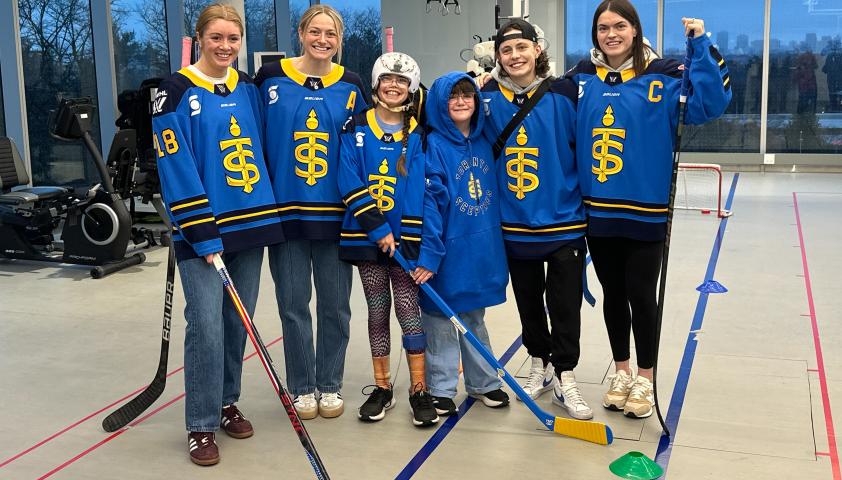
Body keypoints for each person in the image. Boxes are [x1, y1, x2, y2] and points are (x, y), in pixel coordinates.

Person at [566, 0, 731, 418]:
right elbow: (541, 111)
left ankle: (645, 377)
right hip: (598, 211)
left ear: (635, 30)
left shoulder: (664, 74)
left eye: (619, 26)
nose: (611, 34)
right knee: (613, 295)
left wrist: (701, 44)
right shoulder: (581, 77)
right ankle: (620, 371)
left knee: (642, 294)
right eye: (603, 27)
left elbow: (708, 103)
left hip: (646, 210)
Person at [151, 3, 284, 466]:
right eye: (217, 38)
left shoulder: (248, 88)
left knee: (236, 323)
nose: (226, 47)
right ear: (200, 38)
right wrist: (201, 232)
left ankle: (227, 402)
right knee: (205, 326)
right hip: (203, 231)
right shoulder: (174, 90)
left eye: (233, 39)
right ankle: (200, 424)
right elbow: (175, 165)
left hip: (251, 224)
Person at [255, 4, 367, 421]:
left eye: (331, 34)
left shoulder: (353, 84)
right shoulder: (270, 78)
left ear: (340, 41)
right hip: (285, 215)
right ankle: (302, 386)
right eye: (315, 32)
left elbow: (367, 144)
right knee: (293, 304)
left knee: (336, 306)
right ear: (301, 34)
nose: (323, 40)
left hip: (337, 216)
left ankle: (330, 383)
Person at [480, 19, 592, 420]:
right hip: (513, 221)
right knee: (528, 302)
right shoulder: (486, 96)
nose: (515, 56)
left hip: (563, 219)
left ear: (537, 50)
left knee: (565, 303)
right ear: (498, 58)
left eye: (522, 48)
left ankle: (565, 374)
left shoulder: (564, 92)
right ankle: (539, 364)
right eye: (506, 51)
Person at [337, 52, 438, 426]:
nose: (393, 86)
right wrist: (378, 231)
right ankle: (382, 387)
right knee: (377, 312)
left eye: (402, 81)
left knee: (409, 313)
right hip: (367, 240)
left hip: (406, 243)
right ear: (377, 84)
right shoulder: (354, 128)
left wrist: (403, 238)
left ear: (411, 90)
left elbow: (420, 191)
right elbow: (348, 179)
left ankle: (419, 388)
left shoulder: (421, 134)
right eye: (387, 80)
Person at [411, 72, 510, 416]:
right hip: (446, 251)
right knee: (440, 319)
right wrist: (430, 254)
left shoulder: (487, 140)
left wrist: (494, 80)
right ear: (440, 103)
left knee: (474, 317)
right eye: (452, 96)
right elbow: (430, 204)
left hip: (481, 250)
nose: (461, 101)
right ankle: (440, 387)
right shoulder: (432, 144)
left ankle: (484, 382)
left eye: (467, 94)